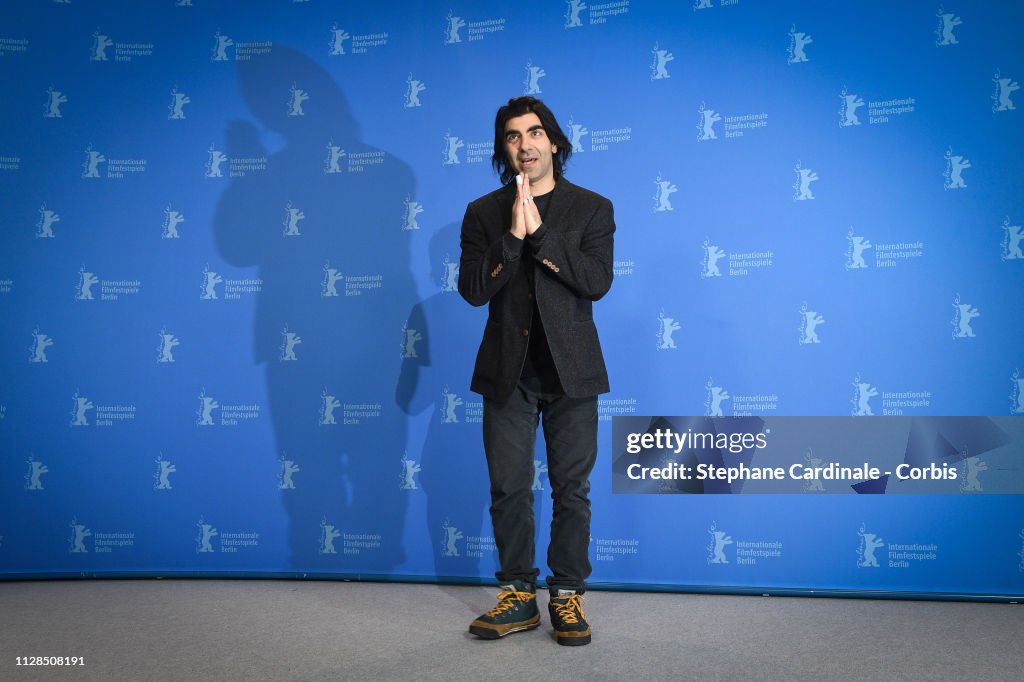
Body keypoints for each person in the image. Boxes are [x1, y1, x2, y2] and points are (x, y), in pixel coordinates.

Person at [458, 96, 615, 646]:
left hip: (573, 373)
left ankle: (567, 595)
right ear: (504, 148)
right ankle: (519, 596)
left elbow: (595, 282)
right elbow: (474, 291)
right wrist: (513, 236)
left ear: (553, 141)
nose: (524, 144)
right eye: (512, 136)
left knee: (572, 489)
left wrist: (541, 233)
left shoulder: (593, 208)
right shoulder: (482, 212)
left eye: (534, 132)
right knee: (509, 487)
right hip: (509, 372)